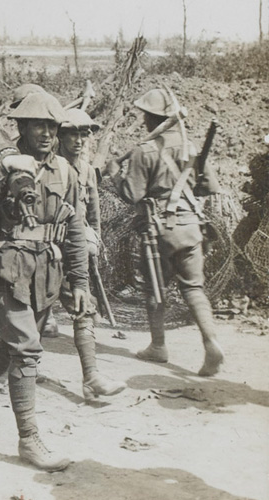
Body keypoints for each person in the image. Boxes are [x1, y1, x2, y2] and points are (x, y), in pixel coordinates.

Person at [0, 92, 91, 472]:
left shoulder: (65, 170)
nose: (46, 133)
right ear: (22, 128)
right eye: (38, 125)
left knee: (13, 347)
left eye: (52, 126)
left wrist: (79, 281)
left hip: (47, 273)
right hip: (6, 270)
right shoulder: (2, 161)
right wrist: (3, 171)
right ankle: (29, 439)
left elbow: (75, 226)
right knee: (28, 350)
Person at [106, 88, 224, 377]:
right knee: (194, 289)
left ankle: (158, 346)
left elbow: (132, 194)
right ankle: (210, 341)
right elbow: (209, 186)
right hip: (192, 227)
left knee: (153, 288)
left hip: (159, 231)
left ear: (150, 118)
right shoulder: (192, 146)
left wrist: (113, 174)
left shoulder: (144, 151)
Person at [54, 109, 126, 400]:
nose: (80, 140)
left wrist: (93, 236)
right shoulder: (50, 166)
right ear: (59, 135)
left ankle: (91, 376)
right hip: (46, 249)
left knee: (82, 305)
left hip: (74, 248)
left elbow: (92, 209)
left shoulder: (85, 169)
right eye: (73, 133)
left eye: (84, 134)